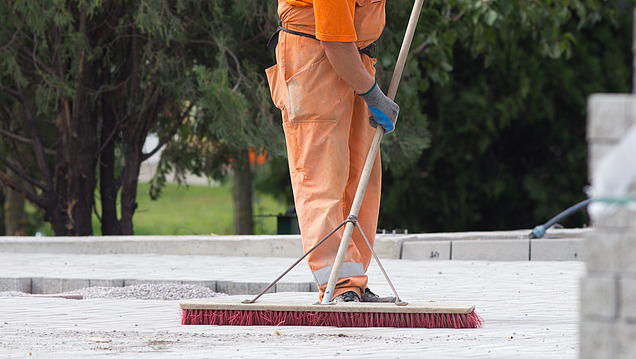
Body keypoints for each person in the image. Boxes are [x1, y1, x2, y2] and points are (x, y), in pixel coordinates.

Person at [266, 0, 399, 303]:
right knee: (323, 177)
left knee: (362, 178)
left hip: (353, 58)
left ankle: (353, 282)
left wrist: (366, 86)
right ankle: (339, 284)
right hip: (314, 60)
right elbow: (334, 41)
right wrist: (373, 94)